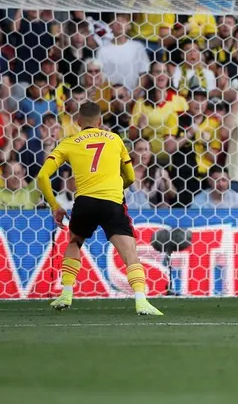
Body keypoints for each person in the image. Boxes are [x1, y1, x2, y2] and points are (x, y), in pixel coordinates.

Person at [35, 102, 162, 316]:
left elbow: (41, 176)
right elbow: (131, 176)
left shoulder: (69, 142)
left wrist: (55, 206)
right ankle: (141, 301)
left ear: (78, 122)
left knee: (75, 241)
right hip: (112, 203)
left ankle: (66, 293)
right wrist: (115, 186)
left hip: (84, 203)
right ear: (100, 122)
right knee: (130, 253)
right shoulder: (115, 140)